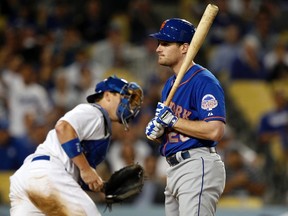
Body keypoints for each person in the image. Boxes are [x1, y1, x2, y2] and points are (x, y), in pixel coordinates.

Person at [9, 75, 143, 216]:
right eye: (124, 97)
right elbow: (63, 128)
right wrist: (86, 169)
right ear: (108, 95)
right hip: (49, 174)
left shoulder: (99, 124)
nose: (129, 104)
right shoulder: (95, 112)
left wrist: (103, 186)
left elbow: (82, 177)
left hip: (26, 178)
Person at [145, 18, 226, 216]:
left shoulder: (204, 81)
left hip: (197, 165)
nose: (158, 48)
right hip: (173, 169)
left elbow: (215, 130)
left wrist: (173, 121)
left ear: (184, 48)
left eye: (165, 43)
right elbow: (177, 129)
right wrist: (159, 132)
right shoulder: (169, 85)